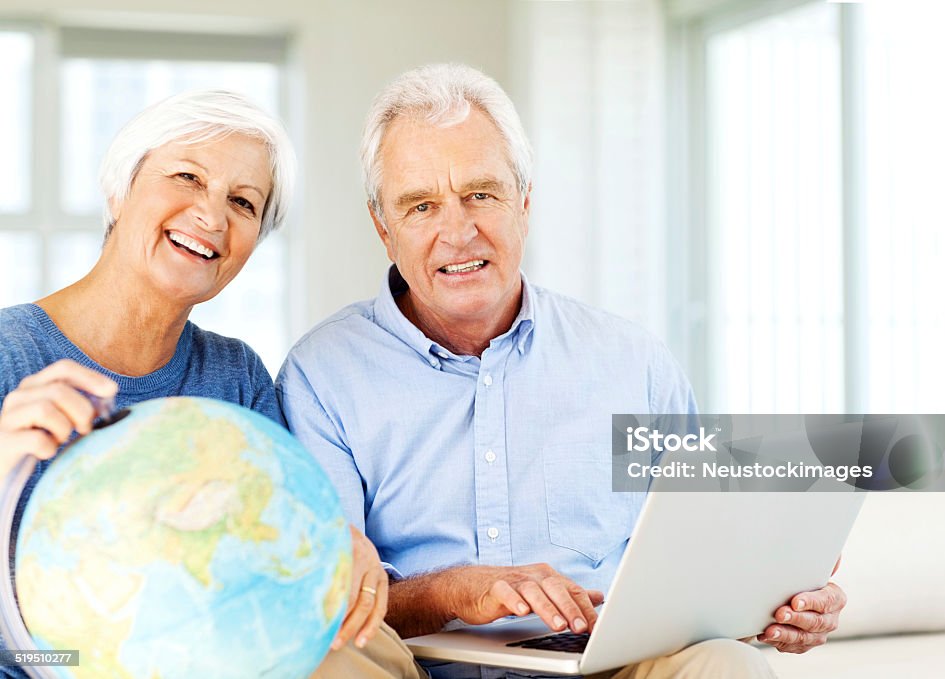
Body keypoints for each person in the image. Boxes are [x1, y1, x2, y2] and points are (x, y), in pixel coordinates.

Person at [277, 63, 848, 679]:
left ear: (524, 203)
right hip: (416, 667)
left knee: (726, 663)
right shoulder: (321, 376)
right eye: (421, 206)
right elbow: (325, 598)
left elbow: (709, 553)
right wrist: (452, 592)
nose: (458, 231)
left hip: (600, 666)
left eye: (481, 194)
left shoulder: (634, 363)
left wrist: (781, 598)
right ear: (383, 229)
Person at [0, 90, 394, 678]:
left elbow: (273, 557)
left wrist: (333, 552)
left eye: (242, 202)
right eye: (186, 176)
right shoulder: (11, 354)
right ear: (119, 189)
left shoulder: (235, 377)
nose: (212, 217)